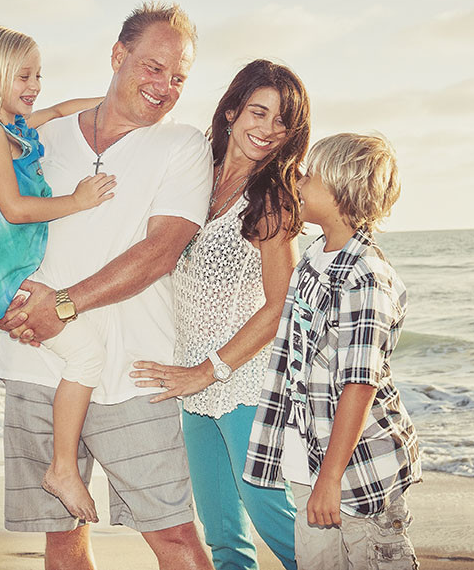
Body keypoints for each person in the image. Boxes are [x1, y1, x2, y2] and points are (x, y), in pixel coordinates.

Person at [0, 2, 215, 570]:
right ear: (118, 56)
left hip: (135, 370)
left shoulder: (184, 146)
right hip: (36, 360)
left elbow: (160, 252)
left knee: (175, 538)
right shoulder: (39, 135)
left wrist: (62, 305)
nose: (165, 86)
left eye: (179, 76)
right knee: (62, 538)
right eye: (153, 66)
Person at [130, 59, 309, 570]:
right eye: (258, 112)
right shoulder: (193, 179)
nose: (268, 130)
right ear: (231, 111)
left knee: (270, 514)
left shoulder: (271, 198)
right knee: (223, 534)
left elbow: (280, 306)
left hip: (243, 381)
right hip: (191, 386)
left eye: (281, 122)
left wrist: (207, 371)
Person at [0, 25, 115, 523]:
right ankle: (62, 469)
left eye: (38, 74)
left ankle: (64, 462)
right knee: (87, 357)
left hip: (6, 271)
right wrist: (79, 200)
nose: (35, 85)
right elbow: (16, 208)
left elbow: (65, 110)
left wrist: (119, 102)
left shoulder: (18, 128)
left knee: (66, 345)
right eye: (23, 75)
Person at [243, 133, 421, 569]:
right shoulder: (313, 257)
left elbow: (359, 386)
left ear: (342, 189)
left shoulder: (365, 276)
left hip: (356, 473)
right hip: (312, 464)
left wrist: (331, 477)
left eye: (311, 176)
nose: (298, 183)